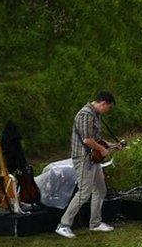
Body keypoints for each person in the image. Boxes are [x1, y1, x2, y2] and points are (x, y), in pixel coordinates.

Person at [55, 92, 116, 239]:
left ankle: (95, 223)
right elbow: (87, 140)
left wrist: (112, 145)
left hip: (93, 159)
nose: (107, 111)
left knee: (100, 189)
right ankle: (63, 225)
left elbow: (97, 139)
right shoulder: (85, 114)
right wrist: (102, 149)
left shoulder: (95, 115)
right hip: (83, 158)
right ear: (103, 103)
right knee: (84, 192)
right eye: (108, 108)